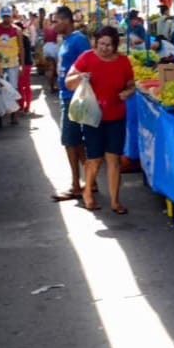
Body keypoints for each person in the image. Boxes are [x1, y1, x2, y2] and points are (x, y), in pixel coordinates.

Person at [65, 26, 135, 214]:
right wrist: (80, 76)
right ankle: (88, 192)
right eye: (101, 44)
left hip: (116, 116)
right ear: (96, 43)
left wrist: (127, 92)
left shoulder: (123, 61)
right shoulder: (86, 57)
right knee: (94, 158)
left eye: (109, 45)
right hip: (92, 117)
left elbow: (131, 84)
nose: (104, 48)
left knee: (114, 160)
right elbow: (68, 82)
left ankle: (115, 200)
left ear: (115, 45)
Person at [48, 7, 92, 201]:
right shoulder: (67, 41)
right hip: (68, 94)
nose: (53, 25)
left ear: (66, 21)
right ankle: (90, 181)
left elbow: (89, 66)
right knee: (76, 141)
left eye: (56, 21)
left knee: (70, 141)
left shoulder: (79, 40)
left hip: (74, 96)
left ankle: (76, 185)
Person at [0, 6, 22, 126]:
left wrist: (22, 65)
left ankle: (14, 115)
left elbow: (21, 48)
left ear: (11, 16)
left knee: (13, 89)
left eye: (8, 16)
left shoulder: (17, 30)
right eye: (4, 16)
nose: (6, 19)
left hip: (13, 64)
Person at [17, 21, 34, 115]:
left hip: (24, 64)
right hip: (27, 63)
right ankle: (26, 105)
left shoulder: (21, 39)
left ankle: (23, 106)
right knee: (25, 85)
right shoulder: (25, 38)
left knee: (22, 85)